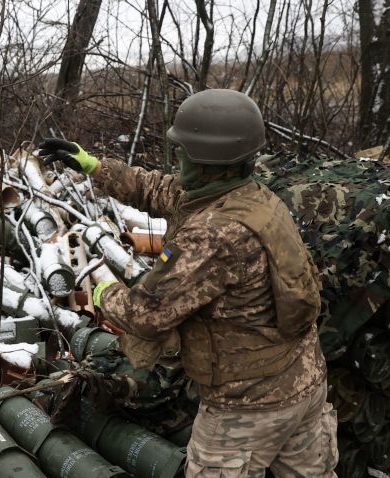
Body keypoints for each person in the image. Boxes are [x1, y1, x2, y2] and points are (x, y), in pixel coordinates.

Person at [38, 89, 338, 477]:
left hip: (247, 406)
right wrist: (93, 165)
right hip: (303, 380)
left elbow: (146, 314)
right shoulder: (249, 196)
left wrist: (102, 292)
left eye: (182, 150)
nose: (176, 156)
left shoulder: (215, 235)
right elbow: (158, 189)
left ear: (206, 160)